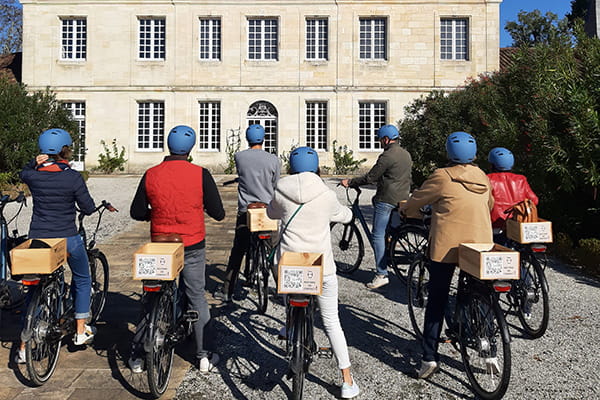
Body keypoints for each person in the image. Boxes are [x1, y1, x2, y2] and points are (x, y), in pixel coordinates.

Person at [129, 125, 225, 373]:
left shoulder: (151, 174)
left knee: (152, 297)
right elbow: (218, 213)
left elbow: (136, 212)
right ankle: (204, 355)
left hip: (160, 244)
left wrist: (155, 213)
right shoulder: (200, 174)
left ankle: (138, 354)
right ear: (191, 148)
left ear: (167, 145)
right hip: (192, 244)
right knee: (196, 296)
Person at [267, 146, 360, 399]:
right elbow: (344, 216)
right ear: (317, 167)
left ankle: (290, 326)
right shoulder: (326, 194)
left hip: (289, 263)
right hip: (321, 266)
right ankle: (347, 380)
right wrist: (349, 213)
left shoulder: (281, 190)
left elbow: (270, 212)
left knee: (289, 285)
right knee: (331, 321)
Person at [400, 131, 494, 379]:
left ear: (449, 153)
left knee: (438, 299)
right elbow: (490, 205)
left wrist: (405, 210)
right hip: (480, 244)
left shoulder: (442, 176)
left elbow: (417, 200)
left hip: (447, 248)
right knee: (480, 293)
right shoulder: (482, 176)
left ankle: (429, 358)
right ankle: (489, 348)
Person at [17, 128, 99, 363]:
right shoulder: (72, 177)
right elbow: (88, 207)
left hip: (39, 239)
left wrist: (34, 163)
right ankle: (81, 331)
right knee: (82, 278)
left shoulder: (33, 176)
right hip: (68, 238)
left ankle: (23, 347)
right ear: (65, 150)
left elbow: (23, 173)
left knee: (34, 289)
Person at [214, 124, 280, 303]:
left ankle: (227, 290)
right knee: (273, 251)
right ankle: (283, 291)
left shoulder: (239, 157)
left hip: (246, 210)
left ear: (247, 139)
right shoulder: (274, 159)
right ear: (264, 138)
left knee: (238, 251)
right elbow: (275, 185)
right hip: (267, 212)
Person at [341, 124, 412, 289]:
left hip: (386, 200)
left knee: (377, 235)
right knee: (388, 228)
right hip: (402, 199)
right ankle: (389, 249)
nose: (380, 143)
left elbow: (371, 177)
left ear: (386, 139)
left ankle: (381, 274)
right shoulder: (406, 154)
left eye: (381, 140)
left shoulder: (387, 156)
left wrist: (350, 182)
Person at [487, 147, 538, 241]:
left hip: (496, 226)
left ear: (492, 165)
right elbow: (534, 200)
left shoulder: (488, 179)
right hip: (517, 223)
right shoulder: (521, 179)